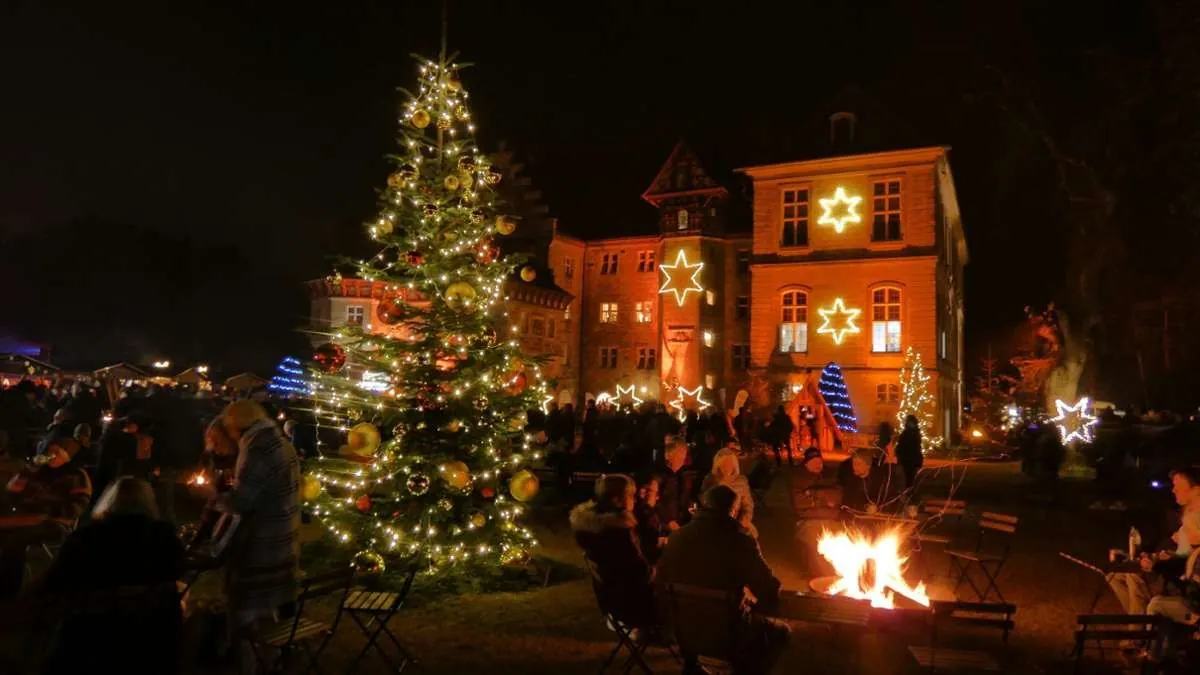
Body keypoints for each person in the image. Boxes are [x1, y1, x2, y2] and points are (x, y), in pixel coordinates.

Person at [38, 477, 184, 675]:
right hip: (152, 637)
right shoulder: (164, 537)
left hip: (90, 638)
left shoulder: (86, 538)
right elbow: (177, 570)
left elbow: (55, 581)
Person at [202, 399, 301, 672]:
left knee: (243, 616)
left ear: (235, 426)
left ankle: (249, 667)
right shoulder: (278, 441)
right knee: (267, 614)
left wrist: (213, 498)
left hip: (263, 546)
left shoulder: (258, 446)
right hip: (282, 539)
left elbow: (242, 502)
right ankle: (272, 663)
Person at [656, 485, 789, 674]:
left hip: (682, 628)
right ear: (733, 510)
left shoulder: (677, 537)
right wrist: (761, 608)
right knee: (781, 632)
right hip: (727, 633)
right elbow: (768, 587)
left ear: (704, 505)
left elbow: (660, 580)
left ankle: (694, 667)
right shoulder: (741, 541)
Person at [0, 436, 93, 599]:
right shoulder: (39, 470)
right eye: (50, 450)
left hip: (54, 522)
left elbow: (74, 509)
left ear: (66, 455)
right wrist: (27, 471)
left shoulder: (76, 475)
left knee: (14, 540)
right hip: (25, 517)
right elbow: (12, 492)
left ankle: (8, 591)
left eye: (56, 452)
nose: (51, 454)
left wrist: (43, 512)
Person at [570, 474, 655, 629]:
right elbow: (640, 573)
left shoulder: (590, 528)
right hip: (632, 603)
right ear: (617, 500)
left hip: (609, 599)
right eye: (631, 495)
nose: (634, 500)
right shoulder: (618, 532)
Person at [791, 448, 841, 577]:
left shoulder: (829, 477)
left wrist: (814, 494)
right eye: (814, 462)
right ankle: (822, 577)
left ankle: (837, 572)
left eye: (820, 462)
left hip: (829, 518)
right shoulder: (798, 479)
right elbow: (800, 503)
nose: (818, 465)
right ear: (806, 464)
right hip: (808, 520)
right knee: (816, 539)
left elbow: (837, 498)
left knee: (839, 538)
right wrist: (825, 500)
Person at [701, 447, 756, 536]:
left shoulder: (741, 481)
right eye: (723, 464)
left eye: (729, 464)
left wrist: (743, 520)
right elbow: (704, 501)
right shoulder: (710, 479)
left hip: (736, 522)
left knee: (752, 537)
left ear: (734, 465)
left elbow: (748, 505)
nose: (726, 467)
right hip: (715, 522)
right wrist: (719, 485)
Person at [837, 448, 906, 514]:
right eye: (854, 464)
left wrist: (876, 507)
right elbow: (848, 501)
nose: (855, 467)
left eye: (859, 464)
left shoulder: (879, 478)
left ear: (868, 465)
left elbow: (887, 497)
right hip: (857, 517)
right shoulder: (851, 480)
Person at [655, 436, 696, 532]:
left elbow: (684, 499)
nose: (683, 459)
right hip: (666, 526)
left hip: (681, 523)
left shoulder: (682, 476)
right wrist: (667, 522)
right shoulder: (659, 477)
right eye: (681, 455)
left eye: (684, 455)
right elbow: (655, 503)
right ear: (670, 456)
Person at [634, 475, 666, 564]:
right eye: (644, 488)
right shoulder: (642, 512)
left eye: (649, 490)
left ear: (657, 496)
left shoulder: (654, 513)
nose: (642, 492)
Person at [894, 414, 922, 488]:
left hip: (910, 459)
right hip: (907, 459)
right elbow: (901, 445)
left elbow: (917, 447)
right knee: (908, 478)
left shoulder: (913, 433)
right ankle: (909, 492)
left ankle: (909, 493)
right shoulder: (909, 433)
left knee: (910, 478)